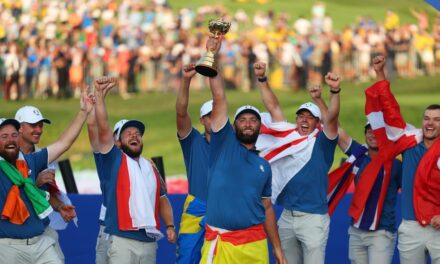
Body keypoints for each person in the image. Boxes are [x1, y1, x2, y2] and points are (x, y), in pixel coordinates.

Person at [200, 36, 286, 264]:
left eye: (253, 120)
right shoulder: (222, 146)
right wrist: (214, 55)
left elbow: (267, 208)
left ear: (259, 126)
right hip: (221, 244)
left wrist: (277, 249)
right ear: (233, 125)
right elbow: (219, 96)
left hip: (255, 244)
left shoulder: (264, 166)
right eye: (242, 119)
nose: (248, 123)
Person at [254, 62, 340, 264]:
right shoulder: (288, 136)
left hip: (313, 219)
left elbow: (333, 118)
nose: (304, 120)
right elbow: (273, 106)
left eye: (310, 118)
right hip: (286, 217)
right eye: (301, 116)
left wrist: (334, 91)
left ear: (318, 123)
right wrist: (262, 79)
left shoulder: (323, 142)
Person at [0, 91, 94, 263]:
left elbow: (64, 143)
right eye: (4, 137)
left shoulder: (31, 160)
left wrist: (83, 112)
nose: (11, 140)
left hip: (39, 239)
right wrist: (35, 183)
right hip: (8, 246)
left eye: (13, 135)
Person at [93, 76, 176, 263]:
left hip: (148, 241)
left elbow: (162, 199)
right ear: (118, 142)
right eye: (128, 134)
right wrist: (99, 97)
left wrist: (170, 225)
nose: (134, 136)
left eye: (138, 134)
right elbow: (103, 127)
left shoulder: (151, 167)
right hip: (122, 240)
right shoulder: (115, 160)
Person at [365, 55, 440, 264]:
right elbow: (390, 110)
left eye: (436, 119)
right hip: (411, 227)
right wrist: (380, 73)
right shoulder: (408, 141)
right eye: (426, 118)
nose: (430, 123)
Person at [14, 105, 78, 262]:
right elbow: (8, 193)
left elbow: (45, 194)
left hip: (41, 229)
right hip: (13, 233)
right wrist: (35, 183)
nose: (38, 130)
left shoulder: (41, 156)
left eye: (40, 125)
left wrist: (59, 207)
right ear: (19, 128)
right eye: (33, 125)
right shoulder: (6, 157)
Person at [175, 63, 211, 263]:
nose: (213, 119)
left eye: (217, 114)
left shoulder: (233, 142)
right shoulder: (193, 141)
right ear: (202, 120)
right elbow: (181, 113)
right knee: (187, 257)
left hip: (224, 208)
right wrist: (186, 81)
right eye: (209, 116)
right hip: (197, 204)